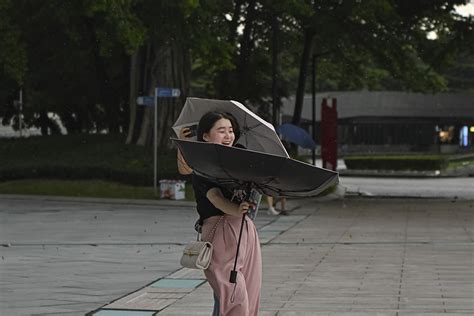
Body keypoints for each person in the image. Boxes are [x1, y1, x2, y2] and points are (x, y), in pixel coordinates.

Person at [177, 111, 262, 316]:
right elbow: (214, 197)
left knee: (249, 290)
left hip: (245, 229)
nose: (228, 136)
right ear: (205, 136)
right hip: (221, 229)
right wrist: (183, 144)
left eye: (231, 131)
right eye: (221, 131)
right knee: (233, 294)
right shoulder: (203, 166)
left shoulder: (241, 157)